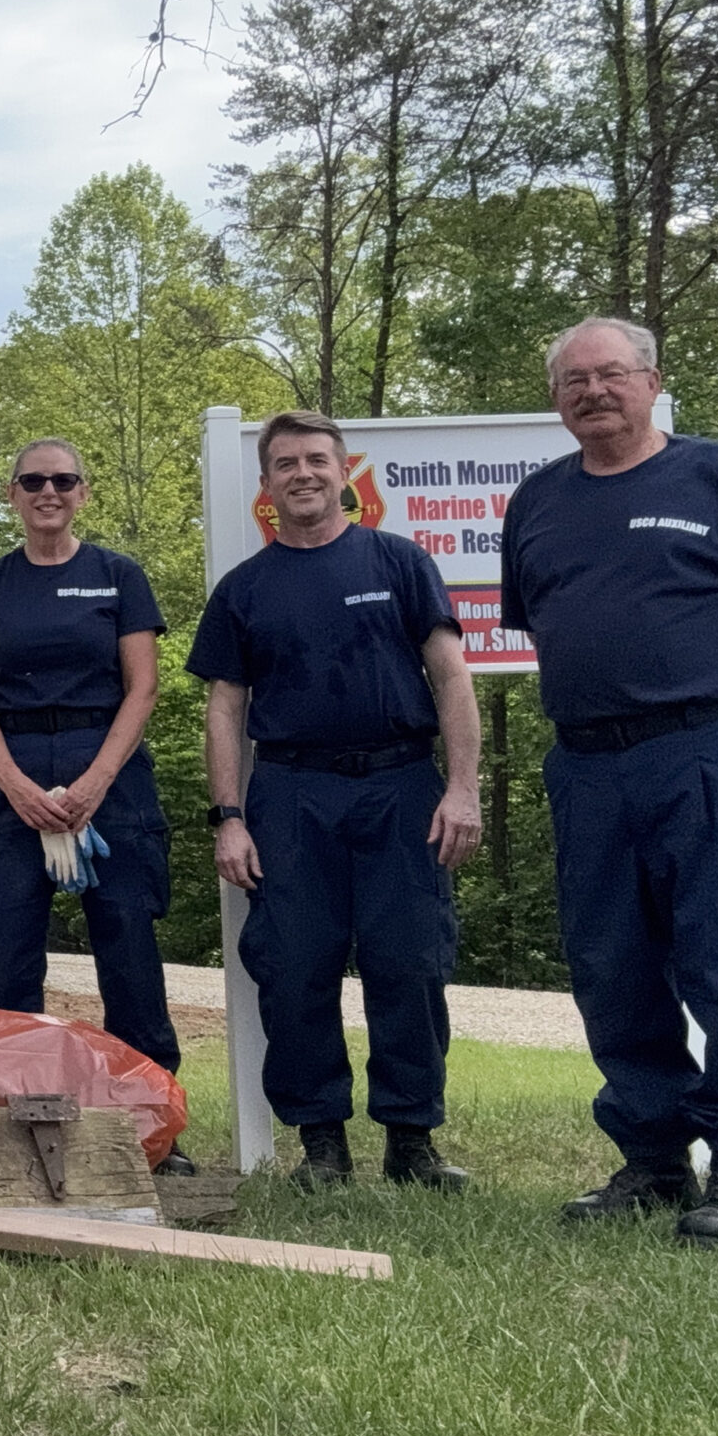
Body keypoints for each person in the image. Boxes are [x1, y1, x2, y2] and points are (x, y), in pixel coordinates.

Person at [501, 316, 718, 1249]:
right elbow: (543, 622)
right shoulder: (536, 503)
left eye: (611, 374)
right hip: (587, 765)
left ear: (651, 384)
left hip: (708, 754)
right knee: (612, 964)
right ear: (557, 400)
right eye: (573, 380)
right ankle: (651, 1159)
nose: (592, 391)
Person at [187, 409, 484, 1192]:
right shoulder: (243, 590)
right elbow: (224, 710)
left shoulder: (400, 561)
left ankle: (411, 1141)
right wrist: (230, 815)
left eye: (317, 459)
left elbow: (452, 677)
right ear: (266, 484)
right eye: (285, 463)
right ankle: (322, 1146)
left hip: (402, 787)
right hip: (288, 793)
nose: (303, 474)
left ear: (345, 471)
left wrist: (462, 789)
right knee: (292, 965)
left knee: (410, 961)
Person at [0, 438, 183, 1101]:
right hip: (13, 777)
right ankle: (9, 1104)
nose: (47, 492)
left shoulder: (119, 576)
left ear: (84, 491)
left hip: (108, 774)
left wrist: (96, 783)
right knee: (10, 954)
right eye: (32, 481)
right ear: (12, 495)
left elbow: (143, 688)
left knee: (129, 948)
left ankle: (146, 1113)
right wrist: (16, 788)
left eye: (62, 480)